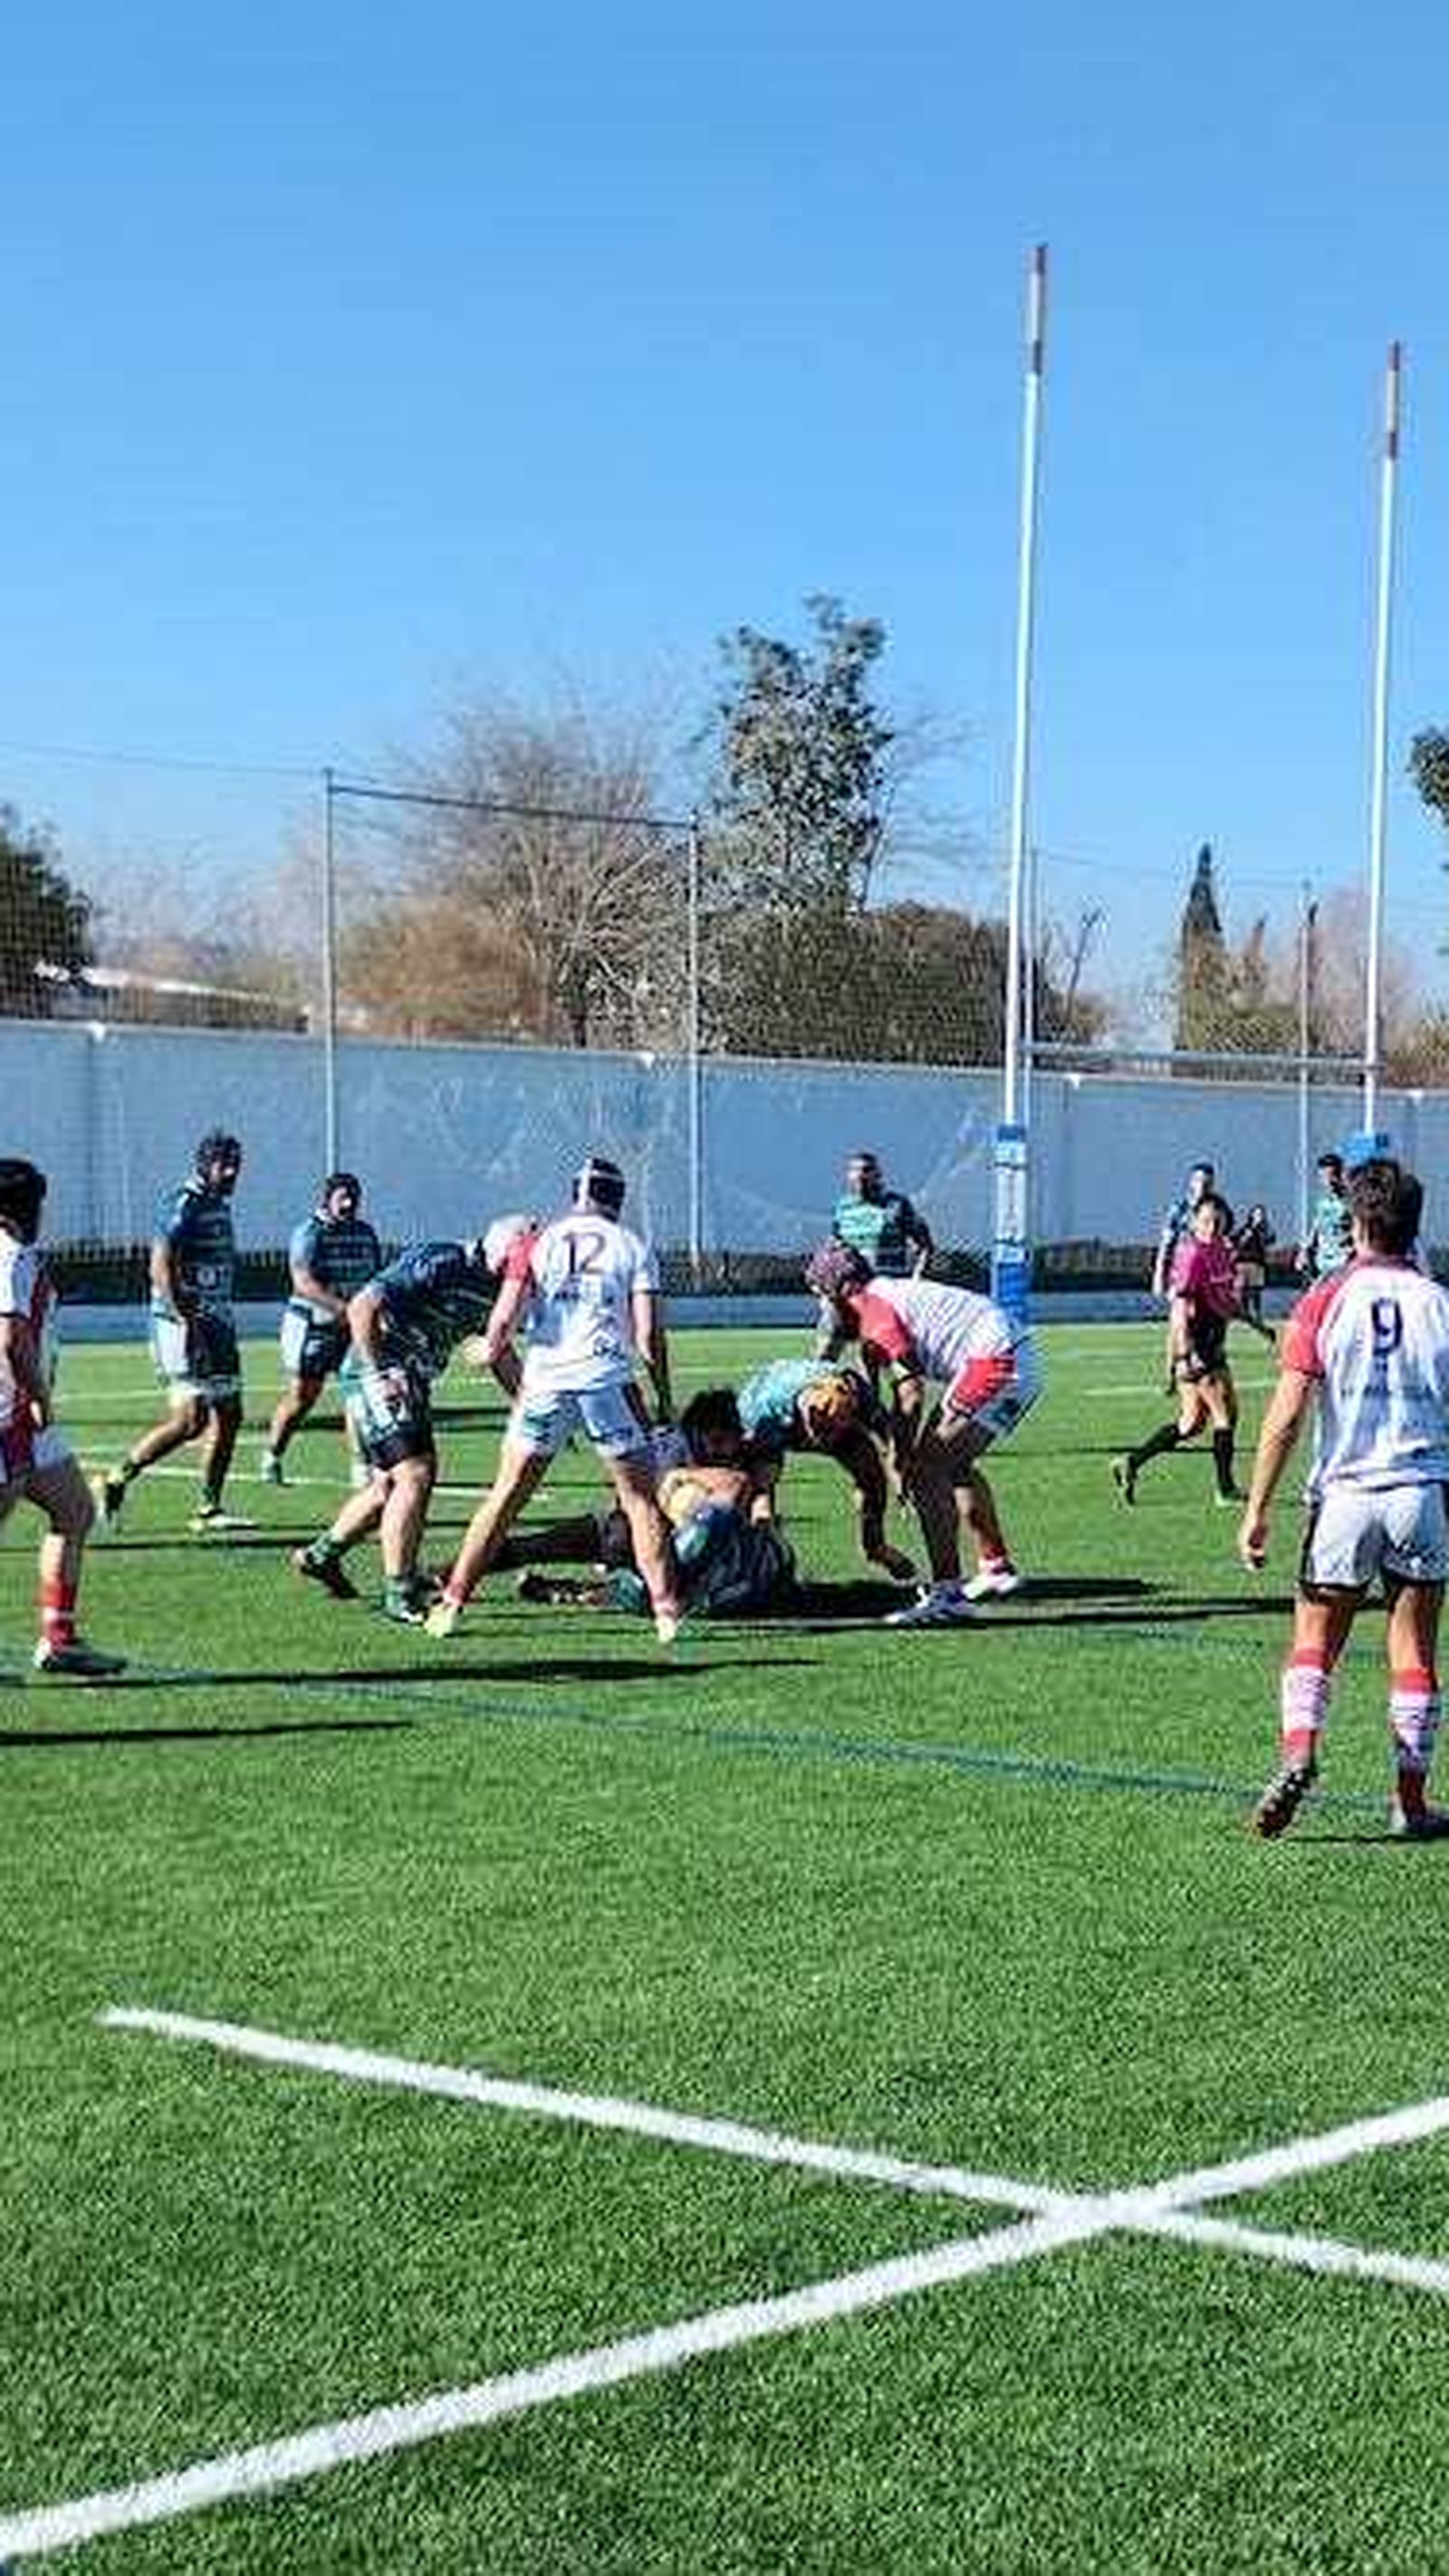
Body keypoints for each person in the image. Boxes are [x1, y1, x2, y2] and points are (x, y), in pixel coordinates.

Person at [1241, 1158, 1449, 1841]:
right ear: (1415, 1229)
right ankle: (1410, 1804)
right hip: (1420, 1492)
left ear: (1357, 1223)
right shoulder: (1440, 1304)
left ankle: (1299, 1753)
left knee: (1313, 1639)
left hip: (1345, 1497)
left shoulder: (1325, 1299)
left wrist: (1257, 1508)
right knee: (1414, 1649)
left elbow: (1287, 1415)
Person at [425, 1157, 683, 1645]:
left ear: (574, 1196)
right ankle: (667, 1614)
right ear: (618, 1199)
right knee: (639, 1501)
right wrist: (665, 1399)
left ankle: (453, 1603)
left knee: (504, 1497)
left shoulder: (535, 1243)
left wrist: (490, 1349)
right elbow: (649, 1338)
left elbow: (502, 1322)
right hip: (605, 1379)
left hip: (544, 1381)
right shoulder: (634, 1246)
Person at [292, 1215, 531, 1623]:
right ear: (498, 1247)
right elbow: (364, 1305)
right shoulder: (442, 1261)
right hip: (382, 1372)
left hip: (413, 1379)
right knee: (415, 1474)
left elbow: (499, 1351)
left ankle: (320, 1556)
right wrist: (379, 1371)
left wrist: (528, 1400)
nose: (526, 1268)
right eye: (520, 1257)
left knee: (390, 1485)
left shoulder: (500, 1289)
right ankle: (399, 1591)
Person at [804, 1240, 1040, 1629]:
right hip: (1012, 1356)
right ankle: (995, 1564)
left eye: (819, 1297)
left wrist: (900, 1459)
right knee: (953, 1465)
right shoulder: (878, 1307)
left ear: (837, 1290)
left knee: (927, 1468)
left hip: (997, 1358)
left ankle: (947, 1595)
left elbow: (910, 1394)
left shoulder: (872, 1307)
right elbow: (885, 1404)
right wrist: (892, 1451)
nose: (819, 1310)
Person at [0, 1158, 126, 1678]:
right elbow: (9, 1338)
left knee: (74, 1510)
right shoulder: (10, 1257)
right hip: (9, 1414)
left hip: (25, 1420)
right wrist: (37, 1393)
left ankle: (60, 1639)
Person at [513, 1390, 797, 1619]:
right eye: (716, 1441)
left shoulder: (742, 1459)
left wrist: (765, 1530)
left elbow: (756, 1500)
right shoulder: (668, 1446)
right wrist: (679, 1491)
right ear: (695, 1433)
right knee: (535, 1547)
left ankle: (587, 1592)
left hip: (692, 1545)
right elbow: (642, 1500)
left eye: (730, 1441)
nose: (724, 1450)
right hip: (631, 1527)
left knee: (700, 1575)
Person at [93, 1129, 249, 1534]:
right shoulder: (184, 1205)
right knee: (191, 1419)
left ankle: (209, 1507)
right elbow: (160, 1267)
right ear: (204, 1165)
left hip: (218, 1322)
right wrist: (186, 1322)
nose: (232, 1172)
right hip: (181, 1324)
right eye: (224, 1164)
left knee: (230, 1414)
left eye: (236, 1164)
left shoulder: (218, 1205)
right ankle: (116, 1479)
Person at [1112, 1192, 1247, 1509]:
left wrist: (1255, 1323)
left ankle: (1131, 1463)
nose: (1211, 1226)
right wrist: (1183, 1357)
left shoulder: (1223, 1252)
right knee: (1225, 1416)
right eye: (1205, 1221)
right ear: (1194, 1222)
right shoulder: (1192, 1255)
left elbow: (1226, 1301)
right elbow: (1180, 1309)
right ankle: (1225, 1491)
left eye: (1217, 1220)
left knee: (1191, 1424)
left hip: (1213, 1341)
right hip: (1199, 1346)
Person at [736, 1355, 916, 1581]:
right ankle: (758, 1561)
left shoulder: (856, 1391)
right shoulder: (767, 1410)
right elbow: (761, 1484)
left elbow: (889, 1437)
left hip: (816, 1410)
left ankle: (875, 1547)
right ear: (812, 1416)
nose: (829, 1441)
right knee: (760, 1491)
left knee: (870, 1470)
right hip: (770, 1419)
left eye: (837, 1430)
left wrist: (899, 1477)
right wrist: (763, 1515)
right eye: (825, 1432)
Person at [262, 1172, 383, 1485]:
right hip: (312, 1328)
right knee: (302, 1398)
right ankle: (272, 1454)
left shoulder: (365, 1233)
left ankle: (361, 1470)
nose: (349, 1203)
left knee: (358, 1396)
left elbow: (375, 1279)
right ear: (327, 1200)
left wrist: (371, 1314)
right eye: (342, 1197)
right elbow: (303, 1283)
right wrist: (344, 1310)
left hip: (352, 1330)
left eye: (354, 1197)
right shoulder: (310, 1232)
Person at [830, 1152, 935, 1279]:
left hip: (893, 1288)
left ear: (878, 1175)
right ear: (848, 1176)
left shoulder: (897, 1204)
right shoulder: (843, 1208)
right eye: (854, 1170)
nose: (860, 1175)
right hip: (857, 1291)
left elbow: (925, 1245)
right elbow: (835, 1245)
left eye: (867, 1170)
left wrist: (917, 1277)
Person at [1150, 1158, 1216, 1302]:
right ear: (1192, 1182)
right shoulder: (1179, 1210)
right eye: (1199, 1180)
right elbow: (1166, 1244)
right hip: (1183, 1271)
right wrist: (1159, 1276)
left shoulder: (1219, 1208)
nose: (1203, 1186)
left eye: (1207, 1182)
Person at [1298, 1151, 1353, 1282]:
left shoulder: (1351, 1201)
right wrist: (1304, 1251)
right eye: (1324, 1177)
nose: (1329, 1181)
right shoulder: (1322, 1202)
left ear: (1340, 1176)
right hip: (1322, 1261)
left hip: (1343, 1260)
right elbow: (1316, 1227)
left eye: (1332, 1176)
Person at [1230, 1201, 1275, 1331]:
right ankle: (1243, 1318)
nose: (1260, 1217)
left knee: (1255, 1293)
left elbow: (1271, 1240)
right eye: (1257, 1214)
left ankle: (1257, 1317)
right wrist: (1245, 1236)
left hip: (1257, 1264)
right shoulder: (1245, 1229)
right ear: (1252, 1215)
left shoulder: (1265, 1230)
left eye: (1262, 1214)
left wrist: (1264, 1234)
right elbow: (1234, 1241)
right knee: (1241, 1292)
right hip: (1243, 1264)